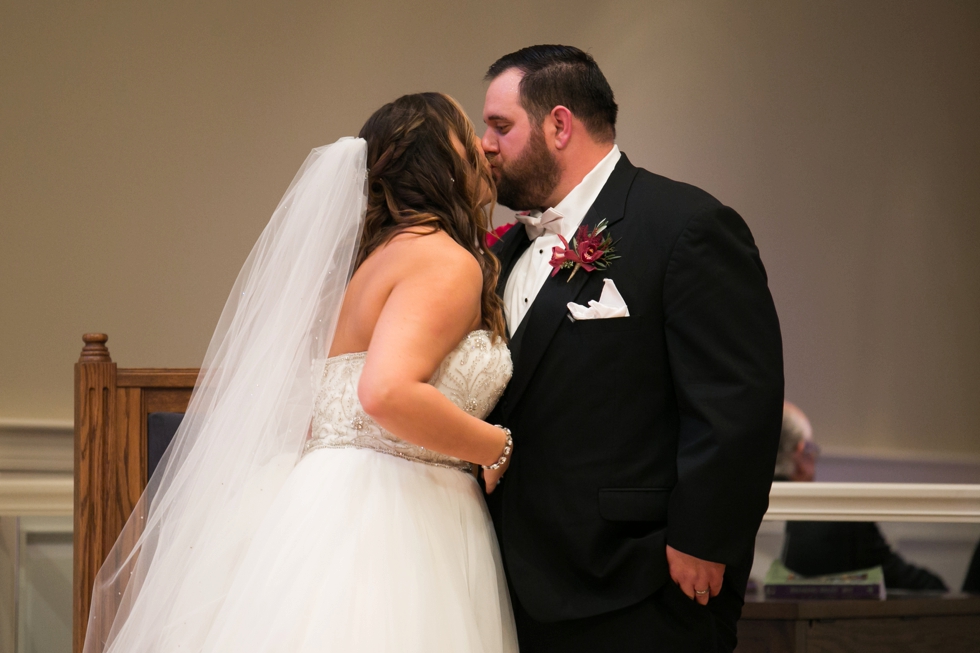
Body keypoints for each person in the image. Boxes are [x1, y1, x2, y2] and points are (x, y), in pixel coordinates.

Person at [83, 93, 518, 652]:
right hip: (395, 517)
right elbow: (385, 392)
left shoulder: (370, 263)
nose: (483, 151)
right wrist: (494, 446)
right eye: (467, 135)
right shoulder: (442, 258)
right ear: (440, 160)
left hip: (324, 502)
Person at [481, 45, 784, 653]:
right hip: (510, 586)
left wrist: (704, 539)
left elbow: (735, 403)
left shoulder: (684, 226)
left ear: (559, 125)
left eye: (500, 126)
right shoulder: (503, 249)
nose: (484, 144)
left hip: (639, 582)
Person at [777, 401, 948, 592]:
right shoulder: (841, 518)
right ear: (802, 455)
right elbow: (904, 580)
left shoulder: (741, 512)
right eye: (812, 451)